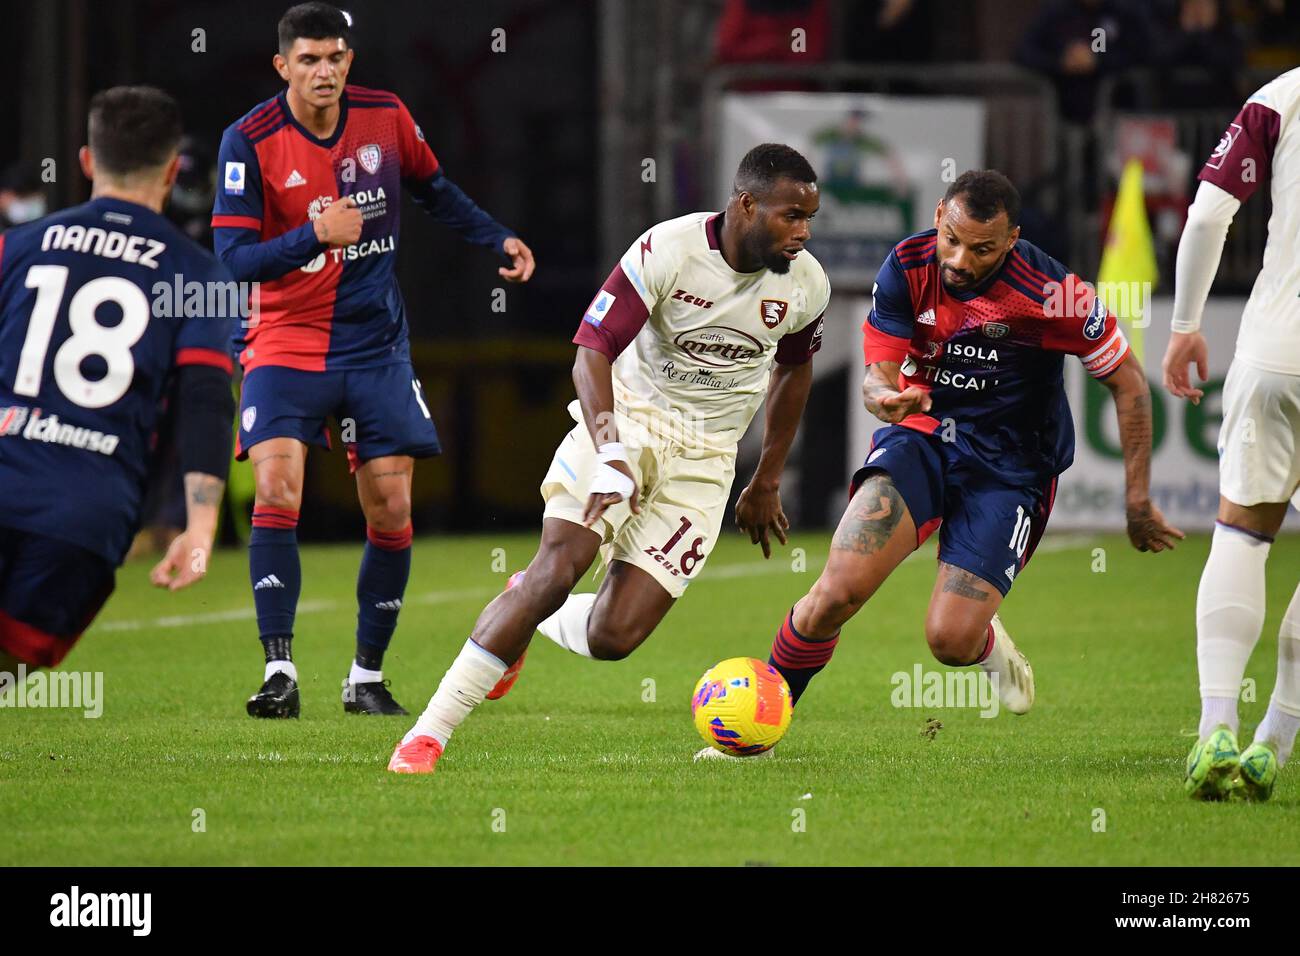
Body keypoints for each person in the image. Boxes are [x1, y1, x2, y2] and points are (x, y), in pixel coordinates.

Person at [388, 143, 830, 774]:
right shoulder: (667, 250)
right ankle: (426, 737)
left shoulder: (806, 283)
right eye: (791, 216)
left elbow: (795, 372)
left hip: (706, 461)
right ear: (747, 204)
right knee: (559, 565)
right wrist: (612, 451)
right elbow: (590, 351)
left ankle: (526, 611)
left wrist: (766, 477)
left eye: (810, 217)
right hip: (628, 424)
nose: (803, 232)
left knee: (613, 637)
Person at [727, 170, 1178, 758]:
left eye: (982, 248)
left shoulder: (1054, 294)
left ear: (1011, 239)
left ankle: (986, 643)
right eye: (952, 239)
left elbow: (1128, 383)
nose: (960, 260)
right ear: (939, 215)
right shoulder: (908, 264)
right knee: (836, 591)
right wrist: (887, 399)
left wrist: (1137, 497)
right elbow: (876, 378)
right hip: (922, 439)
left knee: (949, 640)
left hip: (1013, 467)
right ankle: (760, 726)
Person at [212, 2, 535, 719]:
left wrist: (496, 238)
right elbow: (231, 262)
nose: (323, 71)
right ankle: (279, 671)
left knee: (391, 509)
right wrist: (313, 237)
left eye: (334, 57)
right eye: (308, 60)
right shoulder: (250, 140)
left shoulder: (385, 117)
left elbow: (433, 190)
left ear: (348, 60)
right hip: (285, 342)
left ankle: (365, 677)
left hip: (374, 345)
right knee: (277, 494)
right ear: (283, 66)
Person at [0, 85, 234, 671]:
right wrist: (200, 528)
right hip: (80, 517)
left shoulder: (16, 247)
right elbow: (206, 398)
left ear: (86, 160)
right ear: (171, 171)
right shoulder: (200, 276)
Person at [1162, 67, 1300, 802]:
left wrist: (1185, 325)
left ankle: (1217, 718)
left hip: (1275, 352)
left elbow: (1210, 215)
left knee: (1242, 534)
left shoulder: (1281, 96)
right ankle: (1274, 741)